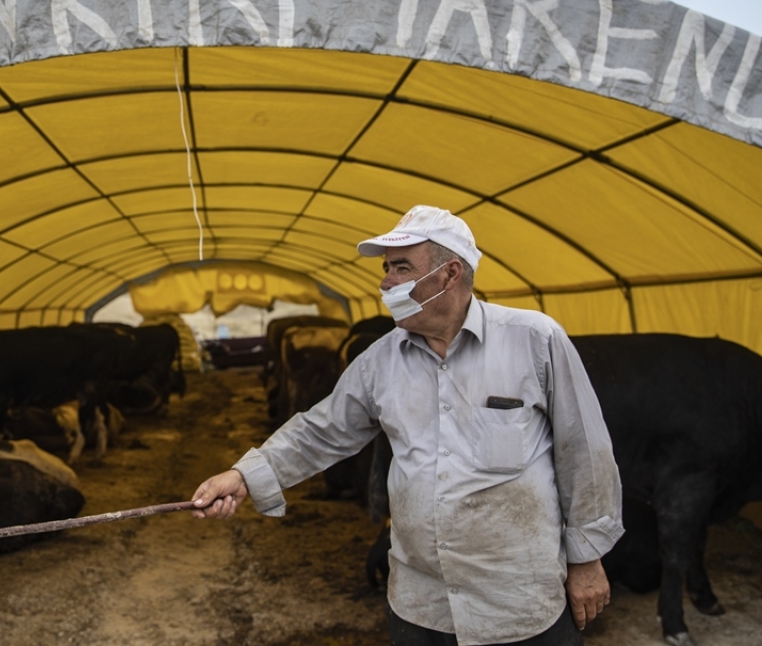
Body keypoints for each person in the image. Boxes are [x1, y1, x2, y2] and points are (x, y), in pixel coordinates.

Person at [191, 205, 624, 645]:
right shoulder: (380, 361)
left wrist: (587, 560)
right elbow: (321, 431)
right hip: (422, 607)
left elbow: (585, 451)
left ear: (450, 274)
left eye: (400, 268)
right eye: (386, 269)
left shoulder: (535, 340)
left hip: (518, 602)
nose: (385, 282)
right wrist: (244, 475)